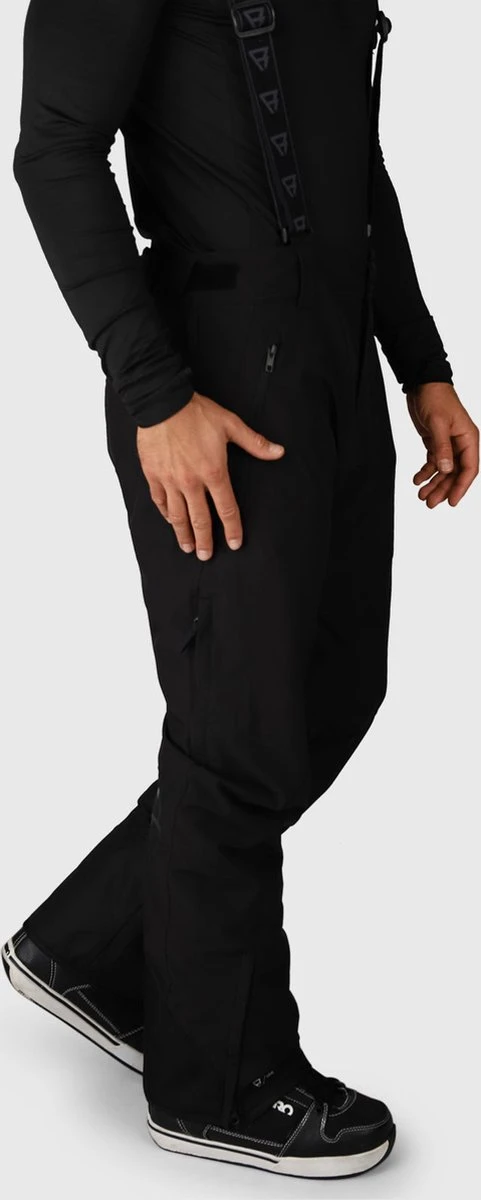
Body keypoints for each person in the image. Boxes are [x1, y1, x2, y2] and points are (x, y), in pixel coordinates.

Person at [3, 0, 478, 1181]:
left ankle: (94, 947)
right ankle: (214, 1079)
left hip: (332, 359)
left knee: (334, 690)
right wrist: (155, 395)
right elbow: (54, 147)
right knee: (238, 729)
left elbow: (351, 164)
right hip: (214, 372)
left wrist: (419, 362)